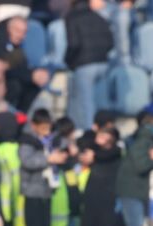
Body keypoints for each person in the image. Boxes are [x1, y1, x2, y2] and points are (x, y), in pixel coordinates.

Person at [64, 0, 113, 131]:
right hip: (103, 63)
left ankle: (89, 134)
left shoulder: (72, 17)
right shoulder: (99, 17)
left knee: (86, 104)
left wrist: (68, 61)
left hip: (84, 64)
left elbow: (73, 44)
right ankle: (106, 131)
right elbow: (110, 43)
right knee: (101, 103)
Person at [19, 109, 66, 226]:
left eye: (48, 127)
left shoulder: (53, 141)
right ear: (34, 125)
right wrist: (49, 159)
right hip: (32, 191)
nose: (46, 131)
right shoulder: (28, 141)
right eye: (43, 128)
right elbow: (27, 161)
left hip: (47, 190)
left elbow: (63, 147)